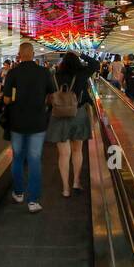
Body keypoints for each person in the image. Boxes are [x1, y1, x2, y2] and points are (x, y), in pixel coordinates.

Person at [1, 41, 56, 213]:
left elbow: (6, 100)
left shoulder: (13, 73)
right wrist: (44, 105)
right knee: (34, 160)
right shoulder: (43, 72)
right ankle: (33, 201)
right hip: (38, 123)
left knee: (17, 158)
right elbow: (51, 96)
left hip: (17, 123)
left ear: (19, 54)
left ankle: (18, 193)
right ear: (33, 54)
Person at [47, 52, 96, 198]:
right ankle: (76, 181)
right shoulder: (81, 75)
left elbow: (48, 95)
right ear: (77, 62)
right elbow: (95, 64)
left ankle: (65, 188)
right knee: (77, 150)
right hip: (78, 114)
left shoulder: (54, 76)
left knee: (63, 154)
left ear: (62, 63)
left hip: (58, 116)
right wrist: (83, 55)